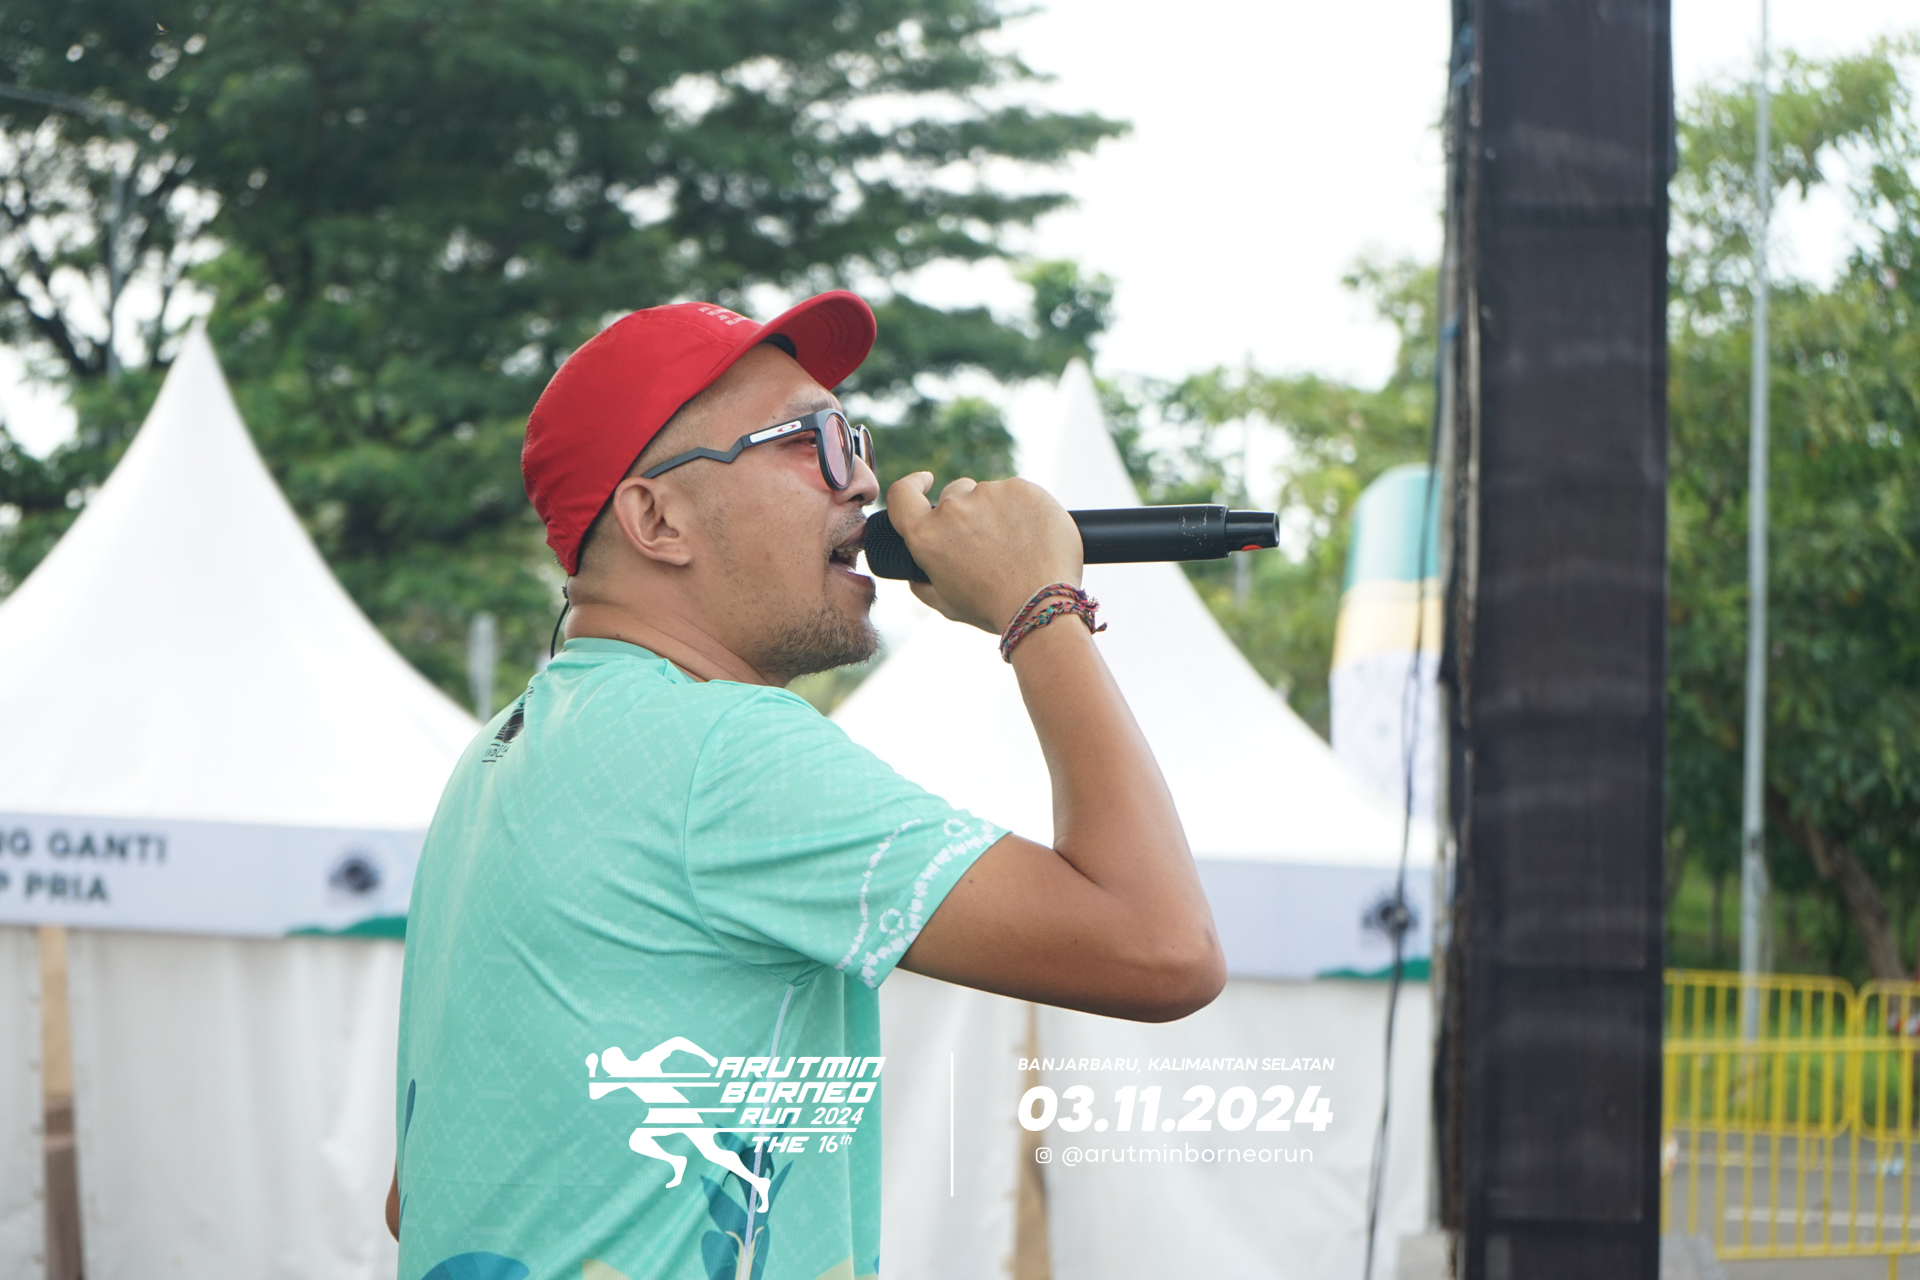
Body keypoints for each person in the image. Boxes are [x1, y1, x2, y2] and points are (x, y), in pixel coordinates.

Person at [388, 290, 1224, 1280]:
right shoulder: (724, 747)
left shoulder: (500, 756)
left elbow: (420, 1191)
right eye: (810, 441)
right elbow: (1162, 948)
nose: (863, 477)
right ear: (657, 518)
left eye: (853, 437)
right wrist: (1042, 606)